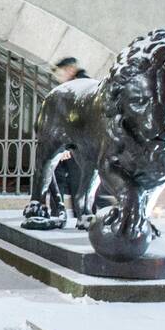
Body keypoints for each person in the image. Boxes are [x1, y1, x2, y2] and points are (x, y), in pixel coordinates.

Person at [51, 57, 94, 218]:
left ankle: (81, 215)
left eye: (59, 71)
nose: (57, 76)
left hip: (78, 144)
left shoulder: (80, 86)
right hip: (72, 142)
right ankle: (64, 213)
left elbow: (76, 119)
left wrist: (68, 145)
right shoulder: (74, 86)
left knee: (79, 181)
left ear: (69, 69)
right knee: (60, 177)